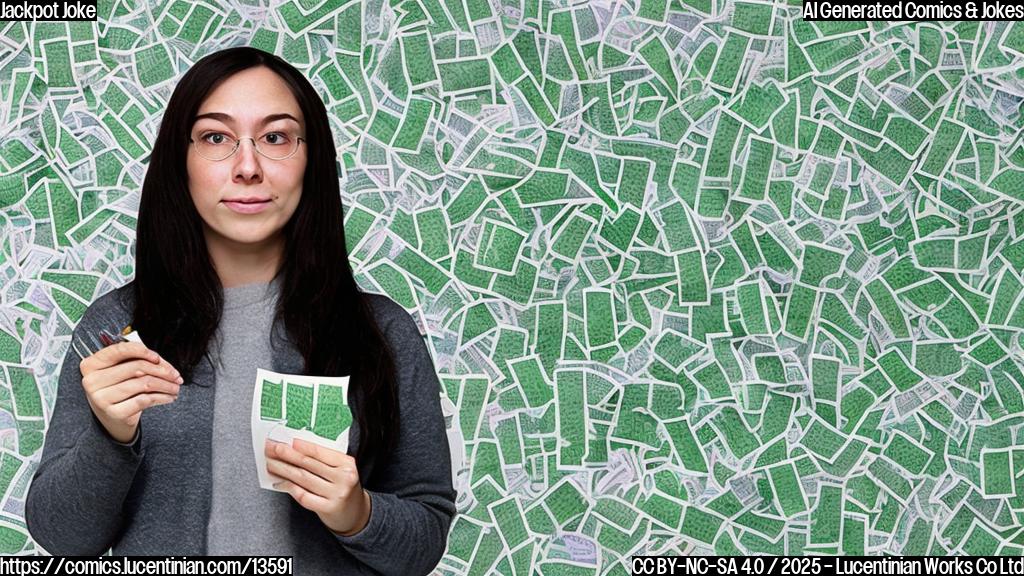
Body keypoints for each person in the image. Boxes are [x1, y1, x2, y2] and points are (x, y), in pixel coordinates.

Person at [25, 46, 456, 575]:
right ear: (180, 161)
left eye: (275, 138)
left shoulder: (383, 332)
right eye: (215, 138)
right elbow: (61, 538)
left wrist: (356, 513)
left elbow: (424, 539)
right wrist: (111, 436)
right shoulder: (116, 327)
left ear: (313, 160)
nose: (248, 167)